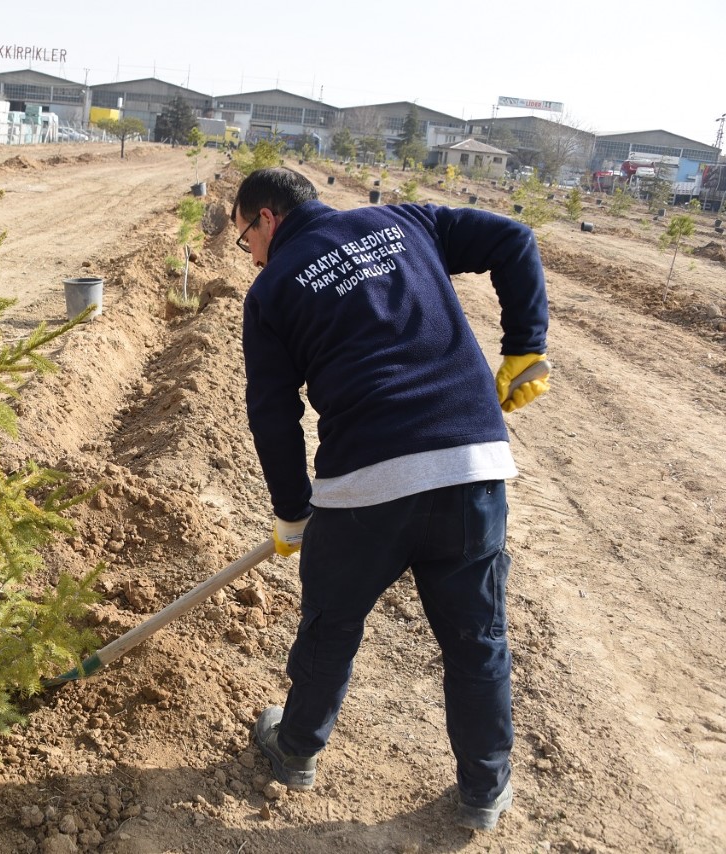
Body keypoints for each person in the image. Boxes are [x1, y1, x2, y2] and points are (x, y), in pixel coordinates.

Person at [232, 167, 550, 831]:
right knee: (476, 640)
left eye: (245, 241)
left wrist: (293, 510)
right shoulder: (406, 222)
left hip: (364, 486)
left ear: (266, 218)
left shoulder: (270, 292)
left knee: (332, 622)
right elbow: (514, 240)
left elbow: (272, 414)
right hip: (469, 467)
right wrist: (525, 347)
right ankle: (485, 792)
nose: (251, 257)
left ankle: (295, 751)